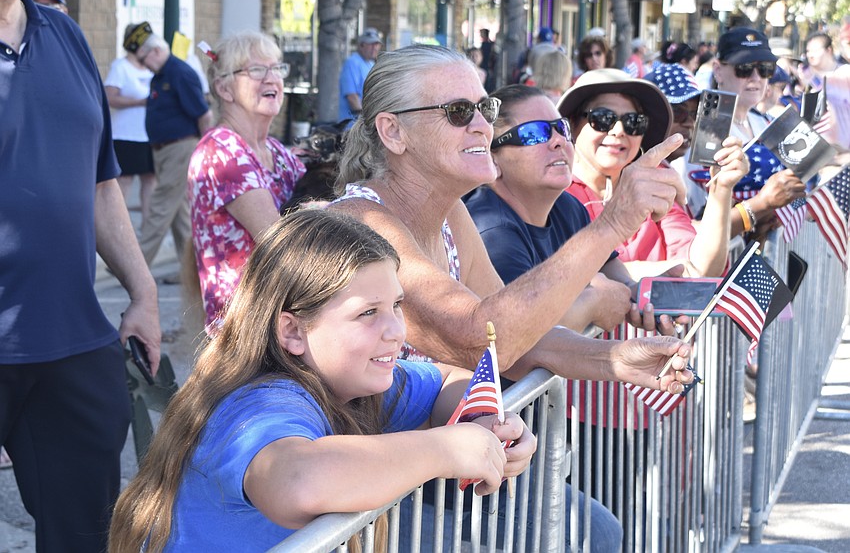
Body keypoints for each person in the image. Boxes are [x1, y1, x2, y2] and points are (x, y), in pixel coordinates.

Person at [329, 44, 695, 550]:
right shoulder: (362, 221)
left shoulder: (451, 214)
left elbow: (516, 337)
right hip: (362, 495)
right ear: (393, 132)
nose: (481, 124)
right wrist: (614, 223)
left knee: (599, 532)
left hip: (433, 468)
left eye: (486, 108)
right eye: (459, 112)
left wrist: (616, 359)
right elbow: (475, 336)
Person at [108, 209, 537, 552]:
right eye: (367, 313)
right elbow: (296, 480)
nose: (395, 331)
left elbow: (448, 379)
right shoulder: (260, 399)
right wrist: (446, 449)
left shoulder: (353, 382)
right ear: (293, 332)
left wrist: (485, 420)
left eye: (396, 306)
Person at [0, 0, 161, 551]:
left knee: (87, 537)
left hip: (71, 337)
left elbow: (100, 183)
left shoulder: (64, 35)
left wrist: (142, 292)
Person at [466, 84, 678, 333]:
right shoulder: (490, 229)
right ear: (493, 159)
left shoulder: (567, 207)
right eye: (534, 133)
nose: (557, 141)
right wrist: (593, 304)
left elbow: (614, 276)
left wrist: (645, 297)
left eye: (561, 128)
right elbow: (519, 330)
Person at [560, 68, 746, 278]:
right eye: (603, 118)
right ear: (572, 125)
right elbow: (568, 276)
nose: (619, 130)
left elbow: (700, 269)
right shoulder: (554, 192)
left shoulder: (654, 181)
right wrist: (657, 273)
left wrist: (721, 189)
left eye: (633, 122)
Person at [188, 32, 307, 332]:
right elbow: (278, 238)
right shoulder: (221, 150)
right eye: (256, 70)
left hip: (286, 317)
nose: (271, 78)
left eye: (277, 68)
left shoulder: (277, 152)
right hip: (246, 332)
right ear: (224, 89)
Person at [701, 27, 806, 238]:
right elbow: (697, 225)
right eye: (745, 68)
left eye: (766, 69)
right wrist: (761, 205)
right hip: (717, 261)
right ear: (718, 70)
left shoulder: (764, 122)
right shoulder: (707, 127)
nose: (756, 77)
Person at [126, 22, 214, 269]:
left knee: (160, 207)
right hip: (164, 150)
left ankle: (135, 265)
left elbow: (203, 115)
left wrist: (205, 150)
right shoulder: (161, 75)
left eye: (143, 59)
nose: (143, 65)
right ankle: (193, 269)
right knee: (180, 216)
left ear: (155, 51)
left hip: (181, 148)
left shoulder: (179, 72)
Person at [105, 23, 157, 228]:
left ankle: (148, 228)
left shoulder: (153, 66)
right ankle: (116, 228)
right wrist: (141, 102)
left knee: (150, 181)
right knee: (122, 183)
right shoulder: (120, 67)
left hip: (149, 135)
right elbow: (109, 98)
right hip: (125, 135)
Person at [338, 27, 382, 121]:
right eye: (371, 44)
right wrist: (364, 122)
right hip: (353, 126)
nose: (375, 48)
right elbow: (352, 97)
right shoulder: (352, 63)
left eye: (377, 44)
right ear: (361, 45)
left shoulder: (371, 64)